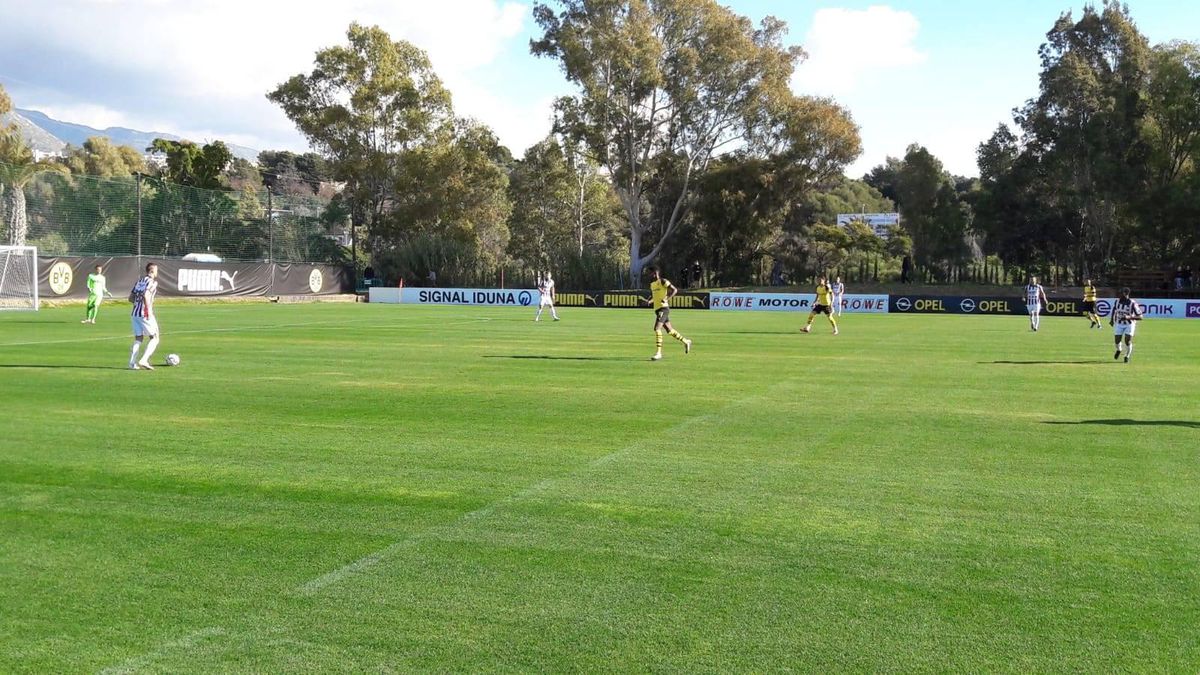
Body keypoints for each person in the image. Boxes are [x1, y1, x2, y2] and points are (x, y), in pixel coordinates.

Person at [644, 266, 691, 361]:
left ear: (655, 273)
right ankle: (686, 341)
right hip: (657, 309)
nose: (648, 275)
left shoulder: (663, 281)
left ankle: (658, 353)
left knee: (657, 328)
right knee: (669, 330)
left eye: (650, 273)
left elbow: (674, 290)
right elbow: (656, 297)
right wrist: (649, 301)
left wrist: (667, 298)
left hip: (663, 308)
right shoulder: (652, 284)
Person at [127, 262, 161, 370]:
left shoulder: (139, 281)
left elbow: (130, 298)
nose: (157, 272)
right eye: (156, 270)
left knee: (139, 338)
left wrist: (138, 305)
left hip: (135, 314)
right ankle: (144, 360)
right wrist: (147, 309)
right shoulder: (152, 282)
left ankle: (132, 363)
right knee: (155, 337)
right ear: (152, 271)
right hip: (144, 313)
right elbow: (146, 295)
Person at [1109, 287, 1143, 363]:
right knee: (1117, 340)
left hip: (1130, 324)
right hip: (1119, 323)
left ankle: (1127, 356)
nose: (1119, 294)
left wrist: (1129, 317)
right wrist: (1112, 319)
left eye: (1121, 293)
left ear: (1126, 293)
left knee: (1127, 341)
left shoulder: (1133, 303)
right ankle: (1119, 349)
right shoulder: (1117, 301)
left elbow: (1141, 317)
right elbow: (1114, 309)